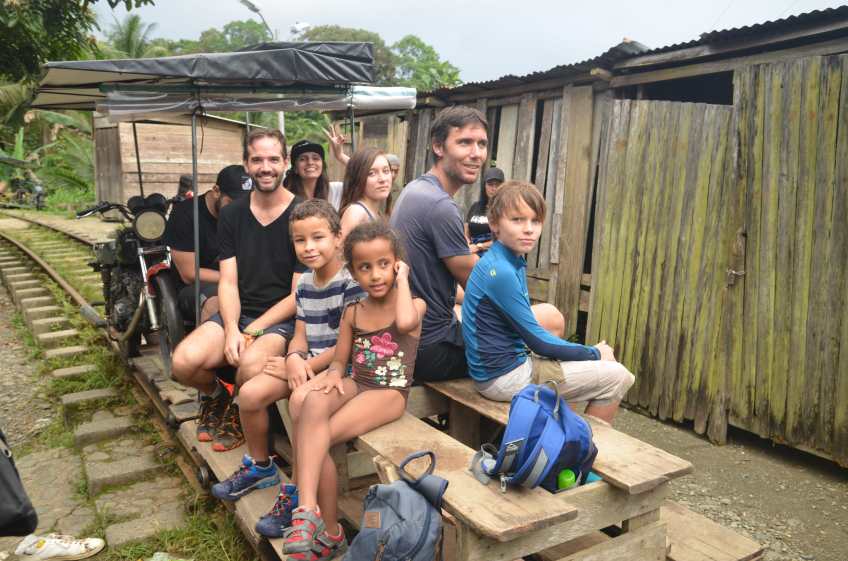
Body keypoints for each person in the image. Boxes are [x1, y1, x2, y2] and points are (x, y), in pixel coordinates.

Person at [210, 200, 364, 526]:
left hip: (340, 369)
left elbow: (349, 345)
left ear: (338, 238)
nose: (309, 247)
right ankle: (261, 466)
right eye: (300, 240)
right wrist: (293, 358)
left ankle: (297, 489)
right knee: (250, 394)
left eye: (318, 238)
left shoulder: (351, 282)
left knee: (301, 402)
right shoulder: (305, 284)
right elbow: (300, 335)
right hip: (307, 363)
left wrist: (306, 368)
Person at [281, 221, 425, 560]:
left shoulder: (414, 304)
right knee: (312, 405)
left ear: (397, 264)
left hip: (389, 392)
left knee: (316, 437)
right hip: (357, 382)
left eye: (384, 264)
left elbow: (406, 324)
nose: (375, 275)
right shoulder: (353, 311)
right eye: (365, 267)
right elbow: (339, 361)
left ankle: (329, 530)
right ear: (354, 273)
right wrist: (331, 376)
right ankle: (308, 512)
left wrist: (404, 279)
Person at [171, 129, 306, 451]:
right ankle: (220, 396)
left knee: (250, 364)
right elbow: (228, 281)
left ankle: (235, 410)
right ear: (246, 164)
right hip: (240, 311)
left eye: (273, 159)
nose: (265, 167)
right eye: (257, 160)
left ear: (286, 163)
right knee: (183, 362)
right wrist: (232, 328)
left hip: (282, 319)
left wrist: (253, 330)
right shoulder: (232, 214)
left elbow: (298, 295)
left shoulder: (303, 213)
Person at [462, 181, 635, 423]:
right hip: (503, 378)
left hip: (494, 371)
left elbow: (532, 335)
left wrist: (584, 354)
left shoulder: (504, 259)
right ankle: (578, 444)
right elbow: (540, 343)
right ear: (494, 224)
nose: (528, 229)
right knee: (618, 376)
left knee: (573, 358)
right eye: (517, 220)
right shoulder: (501, 271)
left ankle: (561, 430)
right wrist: (596, 353)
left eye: (535, 221)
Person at [388, 106, 487, 382]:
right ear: (438, 146)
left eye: (481, 144)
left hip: (410, 337)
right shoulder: (440, 205)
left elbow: (441, 285)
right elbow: (482, 288)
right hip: (432, 349)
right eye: (464, 142)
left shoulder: (415, 189)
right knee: (549, 318)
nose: (476, 153)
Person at [164, 164, 252, 322]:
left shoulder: (247, 214)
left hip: (240, 282)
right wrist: (236, 278)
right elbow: (189, 274)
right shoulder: (185, 214)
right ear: (216, 191)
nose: (239, 210)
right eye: (232, 202)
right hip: (196, 287)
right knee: (218, 303)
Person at [338, 148, 392, 241]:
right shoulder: (356, 212)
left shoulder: (377, 213)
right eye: (371, 173)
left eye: (386, 171)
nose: (383, 179)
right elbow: (338, 248)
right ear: (358, 178)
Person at [284, 140, 344, 211]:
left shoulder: (335, 190)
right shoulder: (285, 195)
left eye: (315, 158)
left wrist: (341, 156)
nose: (310, 162)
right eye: (303, 159)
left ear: (322, 165)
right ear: (295, 168)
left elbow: (357, 178)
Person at [465, 166, 504, 256]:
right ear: (484, 186)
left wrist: (479, 246)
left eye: (497, 185)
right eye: (490, 184)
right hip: (471, 250)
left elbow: (503, 240)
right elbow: (466, 230)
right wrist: (468, 244)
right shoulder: (475, 206)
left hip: (493, 254)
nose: (494, 188)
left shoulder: (505, 209)